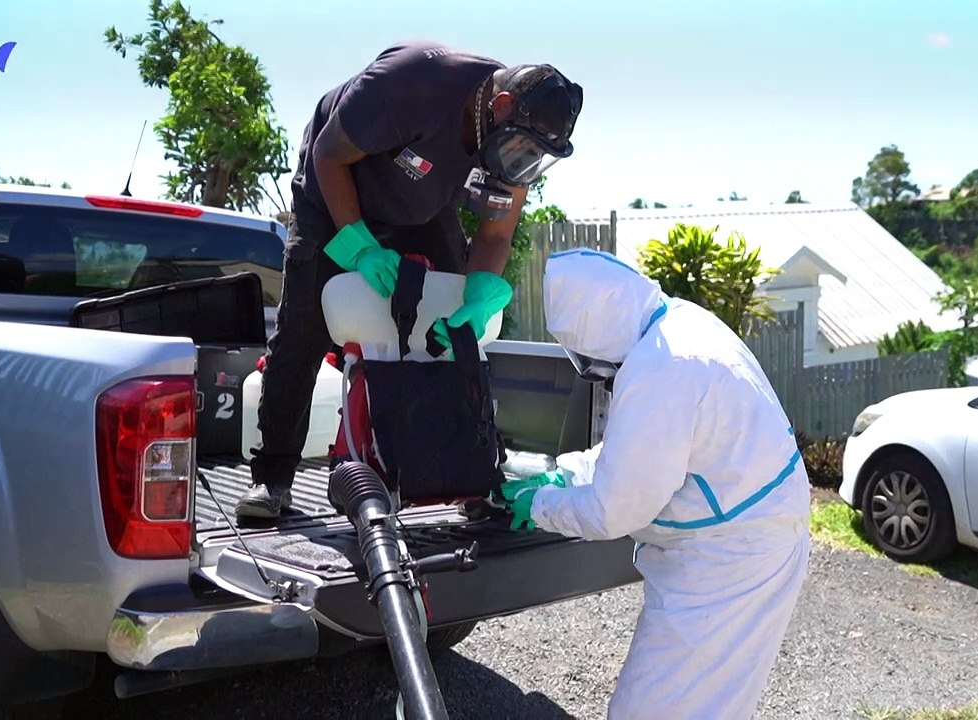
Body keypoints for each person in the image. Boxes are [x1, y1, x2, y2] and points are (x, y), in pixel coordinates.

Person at [236, 40, 583, 519]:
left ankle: (474, 473)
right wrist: (357, 247)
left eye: (536, 156)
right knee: (305, 328)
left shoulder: (513, 147)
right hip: (333, 191)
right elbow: (330, 153)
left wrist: (479, 292)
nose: (523, 163)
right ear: (500, 107)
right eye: (522, 147)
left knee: (454, 328)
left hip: (423, 209)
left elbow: (496, 233)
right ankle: (272, 478)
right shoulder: (413, 82)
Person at [499, 249, 811, 719]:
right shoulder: (674, 327)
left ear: (595, 336)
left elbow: (614, 509)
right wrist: (565, 472)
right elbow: (644, 449)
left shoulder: (661, 368)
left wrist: (542, 503)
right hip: (749, 536)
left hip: (729, 561)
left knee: (652, 710)